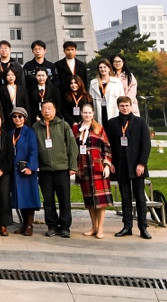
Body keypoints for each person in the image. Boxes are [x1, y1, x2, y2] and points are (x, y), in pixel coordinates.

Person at [106, 95, 152, 240]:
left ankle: (143, 227)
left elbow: (146, 145)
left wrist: (141, 163)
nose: (125, 108)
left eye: (127, 105)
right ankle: (127, 226)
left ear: (131, 106)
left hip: (136, 166)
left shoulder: (140, 122)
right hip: (120, 166)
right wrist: (110, 162)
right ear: (118, 107)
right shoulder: (112, 123)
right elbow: (109, 145)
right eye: (122, 106)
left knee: (139, 197)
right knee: (125, 197)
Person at [32, 100, 78, 238]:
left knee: (64, 199)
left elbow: (72, 147)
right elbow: (33, 149)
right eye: (44, 108)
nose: (47, 111)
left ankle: (65, 227)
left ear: (55, 109)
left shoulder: (63, 125)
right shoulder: (36, 127)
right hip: (44, 170)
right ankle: (52, 225)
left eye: (50, 108)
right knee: (48, 200)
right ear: (41, 110)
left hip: (62, 168)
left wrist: (72, 166)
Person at [74, 102, 113, 239]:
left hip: (97, 166)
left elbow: (107, 147)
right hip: (83, 166)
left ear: (93, 114)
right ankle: (93, 227)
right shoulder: (76, 128)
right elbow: (73, 148)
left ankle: (101, 228)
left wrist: (107, 165)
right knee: (89, 199)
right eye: (85, 112)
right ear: (81, 113)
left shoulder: (99, 128)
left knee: (100, 200)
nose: (87, 115)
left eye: (90, 113)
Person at [9, 107, 40, 236]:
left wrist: (31, 167)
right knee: (19, 198)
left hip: (26, 170)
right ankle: (23, 224)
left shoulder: (30, 133)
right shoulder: (10, 133)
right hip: (15, 171)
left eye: (20, 117)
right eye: (15, 116)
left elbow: (34, 151)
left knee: (29, 198)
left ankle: (29, 225)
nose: (17, 119)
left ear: (25, 118)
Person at [89, 59, 125, 124]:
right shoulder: (93, 83)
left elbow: (122, 99)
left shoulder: (116, 82)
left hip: (113, 113)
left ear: (109, 68)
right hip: (99, 114)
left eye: (105, 67)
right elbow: (90, 101)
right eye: (100, 67)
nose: (102, 69)